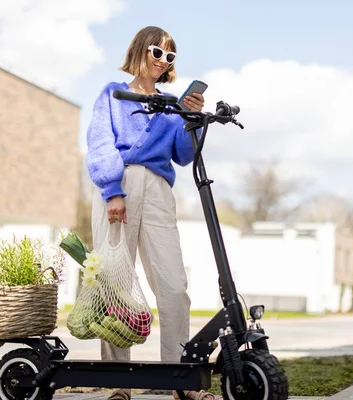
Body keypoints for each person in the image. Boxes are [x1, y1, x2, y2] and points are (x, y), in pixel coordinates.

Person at [85, 26, 217, 400]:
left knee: (174, 285)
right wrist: (112, 191)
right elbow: (100, 143)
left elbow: (183, 154)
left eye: (170, 57)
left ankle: (181, 382)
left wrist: (191, 119)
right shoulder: (112, 94)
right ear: (141, 50)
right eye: (157, 52)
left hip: (158, 191)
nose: (163, 60)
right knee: (115, 284)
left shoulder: (173, 104)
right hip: (119, 186)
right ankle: (118, 385)